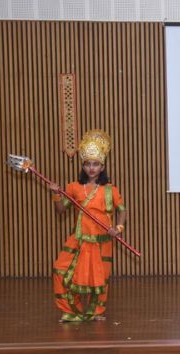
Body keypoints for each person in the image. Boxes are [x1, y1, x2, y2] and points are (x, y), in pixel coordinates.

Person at [47, 130, 127, 322]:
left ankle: (96, 312)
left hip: (102, 242)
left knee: (99, 278)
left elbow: (122, 210)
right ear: (83, 165)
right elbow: (60, 210)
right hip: (79, 240)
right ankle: (71, 311)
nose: (91, 168)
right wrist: (56, 194)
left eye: (96, 164)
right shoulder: (73, 187)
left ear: (102, 166)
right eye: (88, 164)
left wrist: (118, 228)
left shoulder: (110, 189)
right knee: (60, 270)